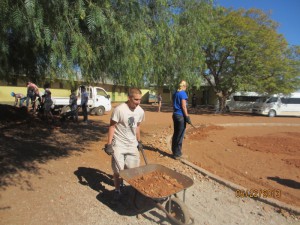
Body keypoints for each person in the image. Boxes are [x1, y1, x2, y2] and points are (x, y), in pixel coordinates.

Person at [104, 88, 145, 203]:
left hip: (132, 144)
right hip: (119, 144)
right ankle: (117, 190)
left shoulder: (140, 111)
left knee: (133, 170)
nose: (138, 102)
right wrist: (109, 144)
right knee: (118, 171)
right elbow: (112, 127)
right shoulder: (119, 110)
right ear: (129, 98)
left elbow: (137, 126)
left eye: (140, 100)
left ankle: (131, 190)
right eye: (136, 99)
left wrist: (139, 141)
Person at [171, 80, 192, 160]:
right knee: (180, 135)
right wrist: (187, 117)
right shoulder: (183, 93)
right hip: (180, 116)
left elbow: (172, 104)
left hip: (175, 115)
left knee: (176, 134)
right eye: (185, 86)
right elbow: (184, 106)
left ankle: (174, 152)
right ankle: (178, 154)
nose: (186, 87)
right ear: (183, 86)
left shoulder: (175, 93)